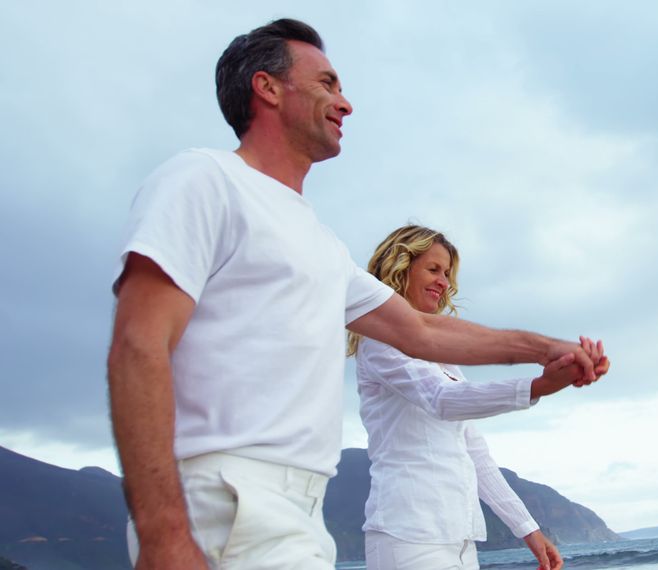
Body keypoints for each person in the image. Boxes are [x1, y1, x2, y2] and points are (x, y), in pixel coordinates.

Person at [107, 19, 607, 570]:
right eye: (326, 83)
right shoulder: (203, 179)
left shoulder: (322, 245)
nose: (345, 104)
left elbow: (422, 331)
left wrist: (546, 349)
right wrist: (163, 535)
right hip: (226, 497)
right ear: (266, 87)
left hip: (302, 512)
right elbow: (138, 343)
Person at [351, 226, 608, 570]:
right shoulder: (380, 344)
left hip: (460, 539)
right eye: (433, 269)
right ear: (401, 269)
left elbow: (475, 452)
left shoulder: (445, 359)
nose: (444, 282)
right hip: (408, 535)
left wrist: (528, 529)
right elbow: (442, 399)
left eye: (447, 274)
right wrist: (537, 387)